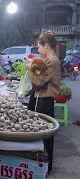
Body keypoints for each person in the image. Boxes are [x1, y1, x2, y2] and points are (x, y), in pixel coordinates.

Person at [27, 30, 61, 173]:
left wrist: (30, 69)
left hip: (45, 101)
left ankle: (46, 167)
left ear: (46, 46)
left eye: (39, 46)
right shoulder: (49, 59)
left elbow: (40, 81)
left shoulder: (52, 61)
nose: (38, 49)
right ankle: (42, 164)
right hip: (41, 98)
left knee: (45, 134)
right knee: (42, 133)